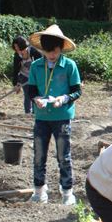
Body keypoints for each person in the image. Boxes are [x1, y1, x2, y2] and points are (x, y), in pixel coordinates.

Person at [25, 24, 82, 205]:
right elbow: (31, 90)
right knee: (39, 155)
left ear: (60, 49)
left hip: (62, 116)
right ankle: (39, 191)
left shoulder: (69, 66)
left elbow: (77, 91)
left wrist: (63, 99)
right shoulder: (36, 66)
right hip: (41, 117)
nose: (52, 55)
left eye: (55, 52)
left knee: (63, 156)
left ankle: (67, 192)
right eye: (48, 52)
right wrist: (36, 100)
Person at [11, 36, 41, 115]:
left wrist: (37, 78)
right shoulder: (17, 55)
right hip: (24, 76)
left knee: (35, 94)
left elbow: (41, 66)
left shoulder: (35, 52)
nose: (18, 51)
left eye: (19, 49)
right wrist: (16, 84)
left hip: (36, 77)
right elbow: (15, 70)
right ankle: (27, 113)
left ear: (24, 46)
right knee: (27, 95)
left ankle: (36, 113)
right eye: (16, 49)